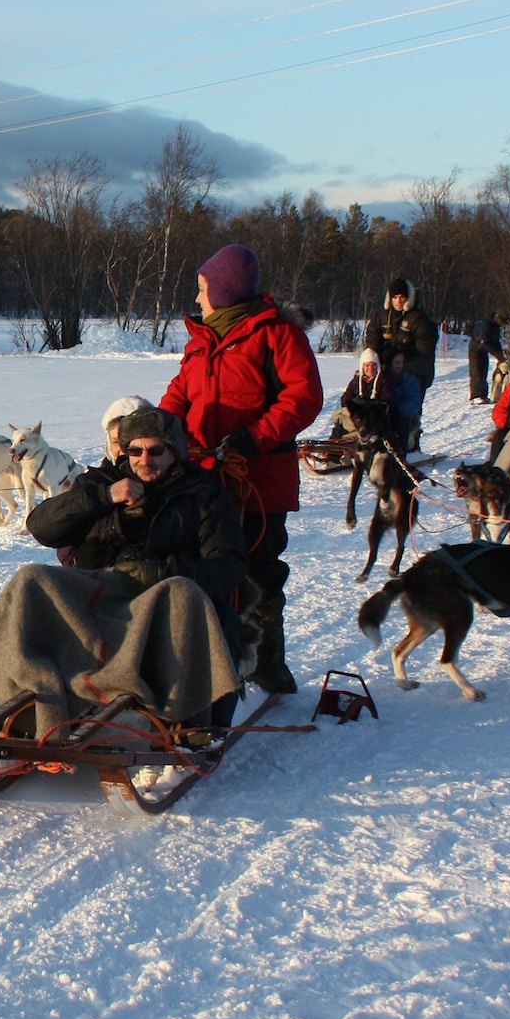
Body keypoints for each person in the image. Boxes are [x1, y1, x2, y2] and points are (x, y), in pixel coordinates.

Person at [0, 407, 250, 737]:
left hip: (163, 600)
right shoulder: (102, 481)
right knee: (30, 579)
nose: (144, 459)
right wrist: (104, 497)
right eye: (135, 450)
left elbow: (229, 566)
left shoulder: (203, 493)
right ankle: (12, 701)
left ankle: (187, 719)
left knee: (182, 591)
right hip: (99, 593)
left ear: (173, 451)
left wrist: (163, 572)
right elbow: (41, 526)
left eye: (155, 451)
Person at [159, 244, 323, 695]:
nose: (197, 299)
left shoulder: (278, 335)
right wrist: (153, 433)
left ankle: (266, 663)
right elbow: (177, 397)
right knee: (203, 566)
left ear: (225, 290)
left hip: (258, 480)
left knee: (257, 570)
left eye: (202, 289)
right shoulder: (201, 340)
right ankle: (212, 658)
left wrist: (254, 438)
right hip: (202, 478)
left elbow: (303, 398)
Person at [365, 278, 440, 414]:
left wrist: (400, 362)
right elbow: (372, 340)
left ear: (409, 298)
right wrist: (374, 362)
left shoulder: (420, 320)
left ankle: (412, 433)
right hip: (385, 376)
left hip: (413, 377)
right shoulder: (381, 317)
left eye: (402, 297)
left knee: (408, 415)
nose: (398, 301)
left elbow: (424, 351)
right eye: (395, 297)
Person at [468, 309, 506, 405]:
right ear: (498, 318)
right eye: (503, 321)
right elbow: (484, 342)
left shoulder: (496, 327)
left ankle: (483, 395)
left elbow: (496, 342)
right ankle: (475, 396)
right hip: (476, 349)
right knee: (476, 372)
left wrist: (501, 355)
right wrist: (496, 354)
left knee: (483, 372)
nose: (503, 324)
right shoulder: (486, 325)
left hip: (483, 351)